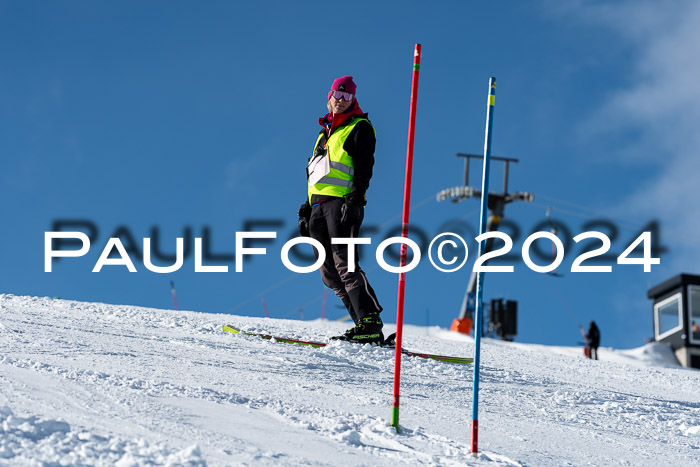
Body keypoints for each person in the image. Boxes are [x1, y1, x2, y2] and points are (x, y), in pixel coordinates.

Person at [297, 75, 384, 344]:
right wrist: (306, 208)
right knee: (329, 272)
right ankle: (360, 324)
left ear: (353, 100)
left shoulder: (359, 127)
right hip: (318, 207)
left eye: (347, 97)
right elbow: (315, 174)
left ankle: (370, 321)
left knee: (345, 264)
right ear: (329, 95)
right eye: (338, 94)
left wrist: (356, 200)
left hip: (341, 204)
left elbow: (363, 167)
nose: (341, 100)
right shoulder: (324, 134)